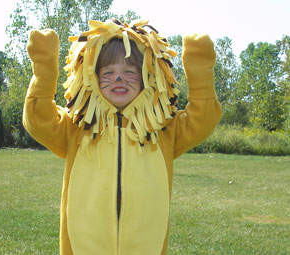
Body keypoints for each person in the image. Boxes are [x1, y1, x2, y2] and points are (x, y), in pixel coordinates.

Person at [23, 19, 222, 255]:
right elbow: (38, 118)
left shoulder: (161, 128)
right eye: (108, 72)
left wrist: (200, 72)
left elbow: (203, 120)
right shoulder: (77, 126)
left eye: (130, 72)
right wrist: (44, 68)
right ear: (92, 76)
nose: (119, 79)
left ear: (148, 76)